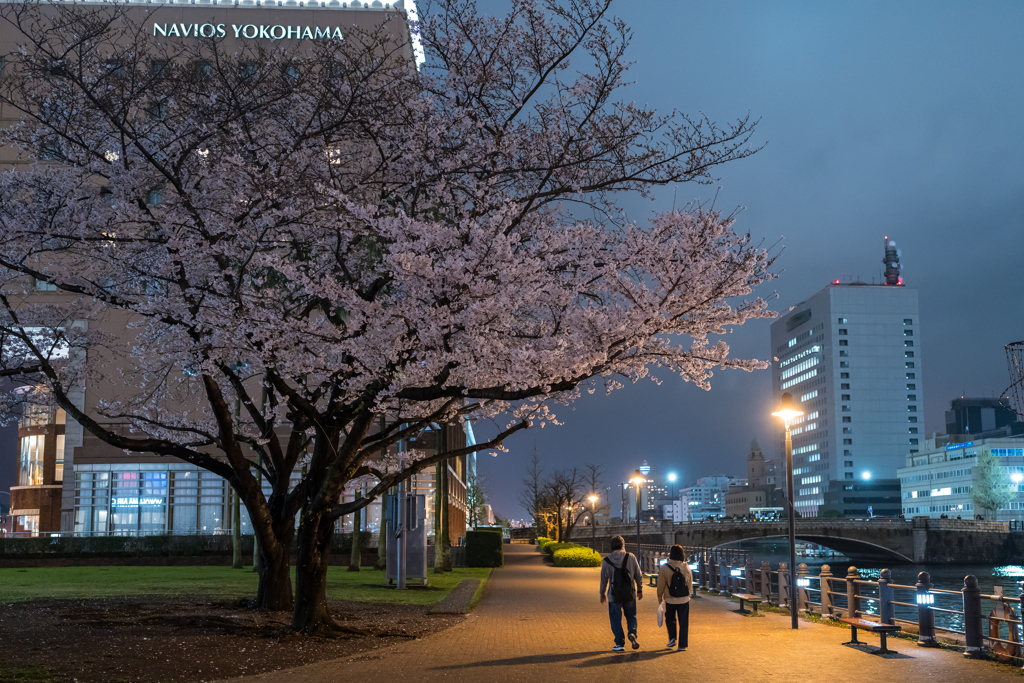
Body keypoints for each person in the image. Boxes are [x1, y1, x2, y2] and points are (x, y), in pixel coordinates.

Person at [600, 535, 643, 652]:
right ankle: (632, 633)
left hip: (614, 595)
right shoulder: (631, 557)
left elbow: (603, 579)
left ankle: (619, 643)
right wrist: (640, 589)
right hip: (630, 593)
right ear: (623, 545)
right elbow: (638, 574)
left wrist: (602, 594)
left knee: (615, 619)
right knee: (631, 616)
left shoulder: (607, 561)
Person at [656, 545, 693, 651]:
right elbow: (689, 582)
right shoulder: (686, 567)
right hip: (684, 599)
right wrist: (688, 594)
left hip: (670, 599)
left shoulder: (664, 567)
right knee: (684, 622)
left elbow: (661, 584)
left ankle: (672, 638)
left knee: (670, 619)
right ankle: (682, 645)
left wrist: (660, 596)